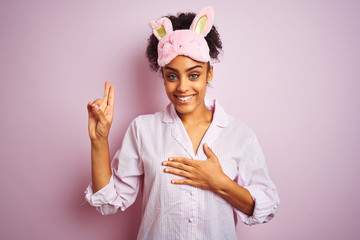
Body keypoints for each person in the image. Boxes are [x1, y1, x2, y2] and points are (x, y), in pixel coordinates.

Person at [85, 6, 280, 240]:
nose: (183, 87)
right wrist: (99, 141)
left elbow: (266, 207)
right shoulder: (143, 130)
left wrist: (220, 183)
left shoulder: (239, 134)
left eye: (194, 74)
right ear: (163, 76)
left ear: (209, 74)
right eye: (172, 76)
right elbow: (109, 202)